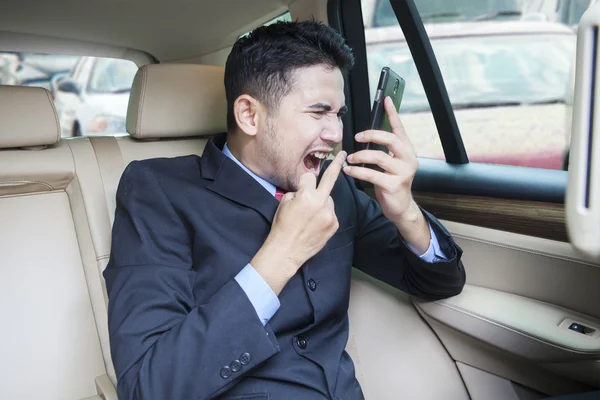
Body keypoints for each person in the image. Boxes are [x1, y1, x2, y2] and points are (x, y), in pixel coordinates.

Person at [104, 21, 466, 400]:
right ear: (249, 115)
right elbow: (148, 386)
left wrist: (405, 211)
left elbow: (439, 282)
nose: (336, 133)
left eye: (338, 114)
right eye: (318, 112)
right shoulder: (158, 190)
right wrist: (282, 253)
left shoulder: (333, 187)